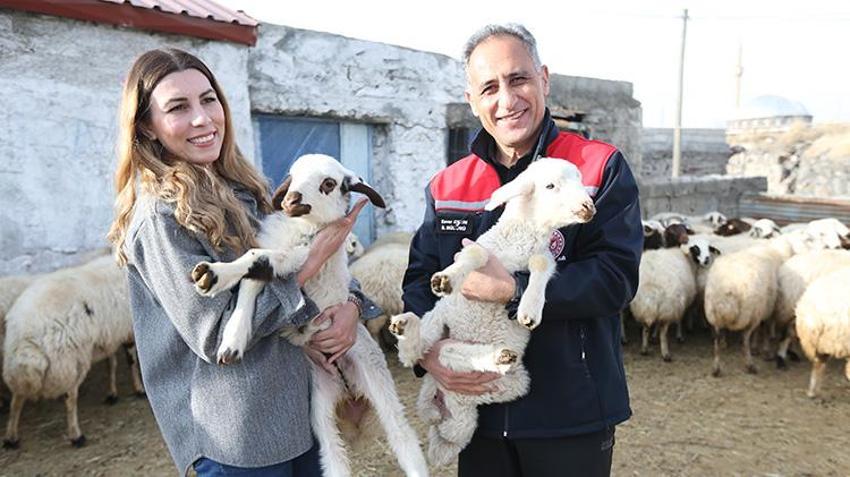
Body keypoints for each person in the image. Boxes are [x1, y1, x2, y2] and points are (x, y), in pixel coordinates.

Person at [107, 48, 375, 476]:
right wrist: (312, 259)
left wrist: (353, 308)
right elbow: (215, 335)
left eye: (208, 99)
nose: (202, 118)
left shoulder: (247, 190)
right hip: (238, 441)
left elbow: (318, 264)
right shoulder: (161, 218)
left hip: (300, 415)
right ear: (147, 127)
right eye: (178, 107)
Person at [402, 24, 642, 476]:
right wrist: (430, 354)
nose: (507, 100)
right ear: (472, 100)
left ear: (543, 80)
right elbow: (419, 281)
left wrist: (514, 290)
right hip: (479, 412)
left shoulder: (597, 167)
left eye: (519, 80)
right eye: (489, 88)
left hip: (569, 413)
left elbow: (616, 278)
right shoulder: (448, 185)